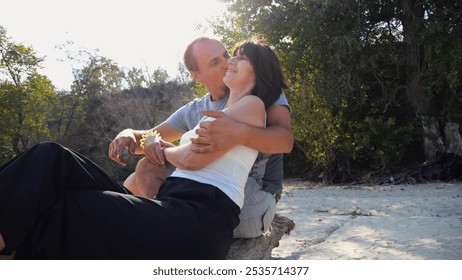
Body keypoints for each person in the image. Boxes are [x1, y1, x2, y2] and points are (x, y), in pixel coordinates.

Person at [0, 38, 289, 259]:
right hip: (176, 203)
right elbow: (152, 138)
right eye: (219, 60)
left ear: (257, 70)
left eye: (232, 56)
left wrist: (161, 146)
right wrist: (132, 134)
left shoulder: (255, 102)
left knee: (70, 184)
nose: (228, 61)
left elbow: (191, 158)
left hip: (230, 205)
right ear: (196, 75)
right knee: (53, 165)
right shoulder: (201, 108)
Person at [110, 37, 293, 238]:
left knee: (135, 190)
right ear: (196, 75)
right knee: (143, 170)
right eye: (215, 62)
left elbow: (285, 140)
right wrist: (127, 133)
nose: (226, 62)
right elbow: (147, 138)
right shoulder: (196, 109)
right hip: (205, 187)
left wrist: (239, 133)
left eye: (226, 55)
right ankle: (154, 226)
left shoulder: (261, 91)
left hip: (254, 191)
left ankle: (157, 228)